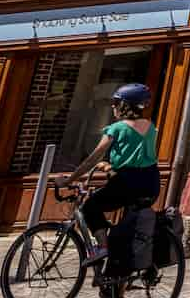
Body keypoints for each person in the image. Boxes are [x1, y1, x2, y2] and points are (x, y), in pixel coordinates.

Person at [67, 82, 160, 262]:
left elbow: (93, 157)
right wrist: (109, 167)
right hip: (151, 183)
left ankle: (102, 247)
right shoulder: (149, 126)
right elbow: (137, 155)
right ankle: (122, 277)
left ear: (125, 105)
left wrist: (70, 178)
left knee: (90, 207)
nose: (113, 106)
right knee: (127, 230)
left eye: (116, 102)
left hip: (128, 182)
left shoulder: (117, 129)